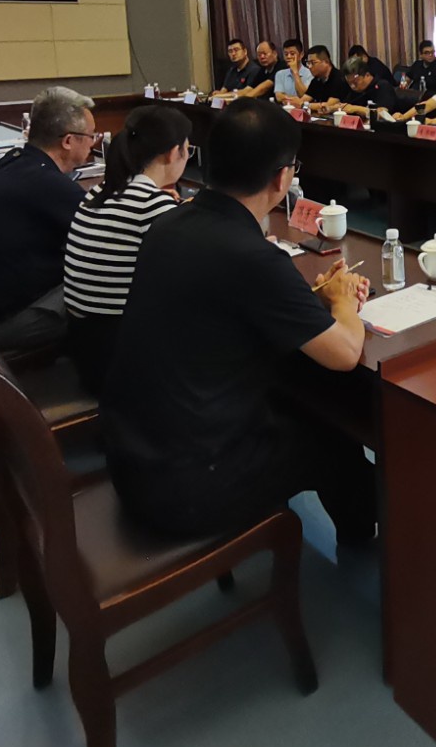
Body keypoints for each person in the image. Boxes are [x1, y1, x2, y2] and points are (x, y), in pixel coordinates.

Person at [102, 99, 377, 546]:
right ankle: (365, 545)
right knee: (333, 437)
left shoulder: (170, 224)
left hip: (133, 455)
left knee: (306, 404)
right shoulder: (251, 256)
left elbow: (226, 308)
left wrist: (311, 302)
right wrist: (343, 299)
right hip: (188, 485)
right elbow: (345, 353)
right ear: (282, 177)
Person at [0, 86, 97, 353]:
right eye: (90, 136)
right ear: (68, 141)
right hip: (4, 324)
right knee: (114, 277)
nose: (93, 143)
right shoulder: (47, 183)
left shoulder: (15, 161)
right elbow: (106, 234)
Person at [64, 105, 191, 395]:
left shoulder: (100, 192)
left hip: (86, 349)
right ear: (174, 152)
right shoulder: (153, 205)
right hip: (124, 366)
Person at [337, 56, 413, 117]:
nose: (352, 86)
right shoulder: (355, 91)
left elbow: (383, 114)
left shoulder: (382, 86)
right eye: (349, 83)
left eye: (355, 82)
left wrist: (356, 109)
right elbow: (346, 105)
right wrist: (333, 108)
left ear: (367, 75)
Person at [272, 38, 313, 105]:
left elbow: (304, 95)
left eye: (292, 54)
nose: (288, 57)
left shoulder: (310, 73)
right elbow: (279, 97)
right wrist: (296, 100)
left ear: (301, 55)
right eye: (286, 54)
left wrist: (295, 72)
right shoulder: (280, 74)